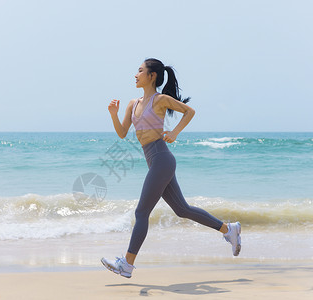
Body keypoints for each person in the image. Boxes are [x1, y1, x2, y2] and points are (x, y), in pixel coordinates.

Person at [101, 58, 241, 278]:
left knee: (141, 212)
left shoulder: (160, 100)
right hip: (155, 160)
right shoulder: (133, 103)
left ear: (152, 75)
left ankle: (127, 264)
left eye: (139, 71)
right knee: (182, 209)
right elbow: (122, 132)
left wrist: (174, 133)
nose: (135, 75)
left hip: (162, 159)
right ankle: (228, 229)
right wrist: (113, 115)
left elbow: (189, 112)